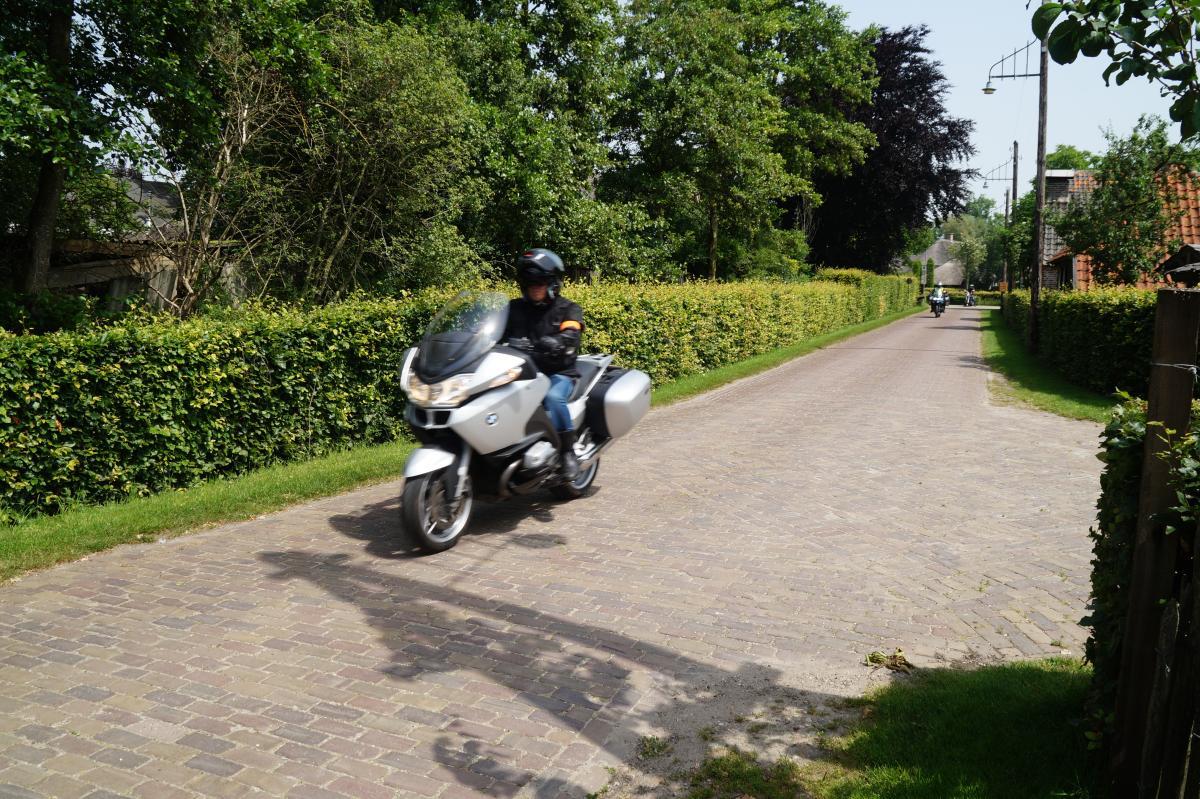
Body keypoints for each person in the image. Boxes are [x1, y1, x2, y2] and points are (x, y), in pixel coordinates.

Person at [503, 248, 585, 480]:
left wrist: (560, 341)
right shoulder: (513, 308)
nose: (535, 287)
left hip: (558, 373)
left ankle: (567, 453)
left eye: (540, 282)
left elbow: (573, 332)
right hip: (521, 373)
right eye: (530, 283)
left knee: (553, 397)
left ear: (552, 283)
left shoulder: (568, 308)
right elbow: (490, 332)